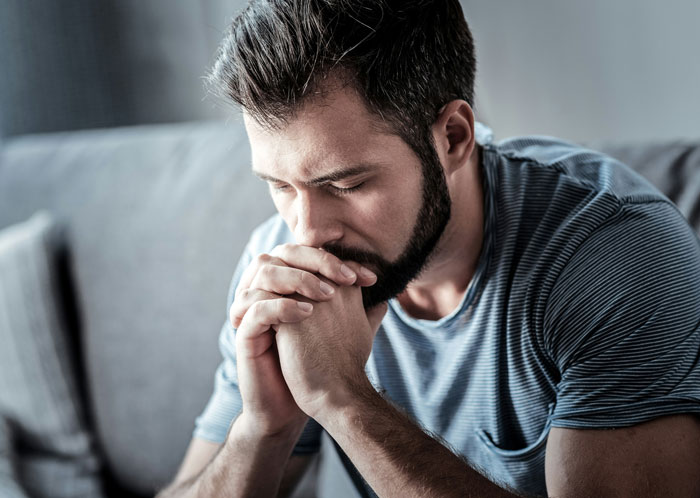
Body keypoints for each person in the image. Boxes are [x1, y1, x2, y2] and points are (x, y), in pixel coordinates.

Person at [158, 1, 700, 496]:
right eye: (279, 187)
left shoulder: (614, 255)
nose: (306, 232)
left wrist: (344, 401)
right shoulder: (280, 272)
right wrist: (263, 428)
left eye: (346, 184)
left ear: (453, 137)